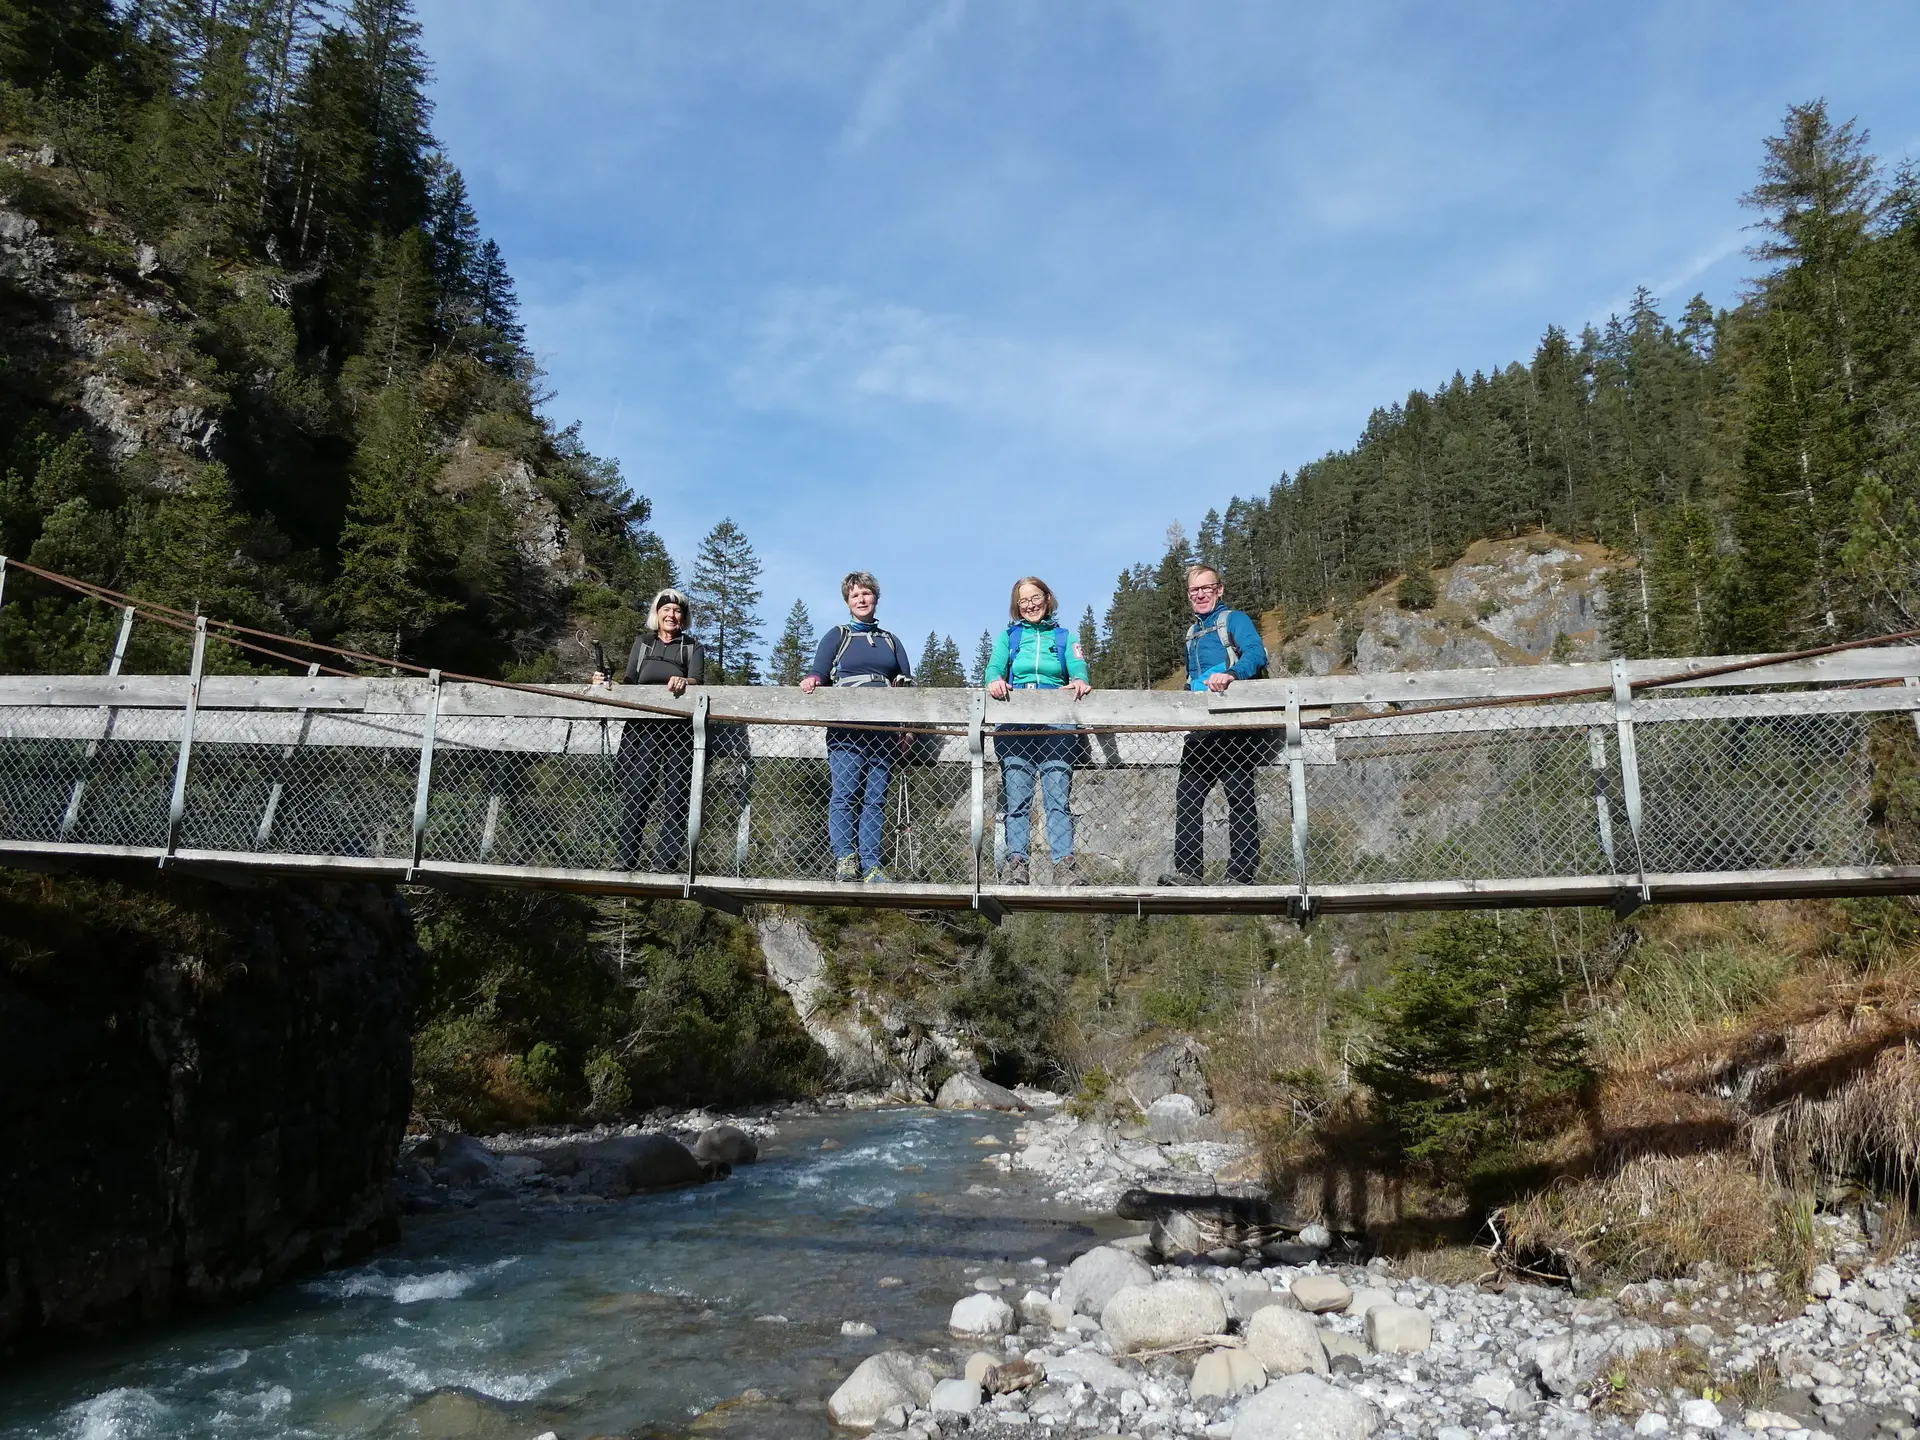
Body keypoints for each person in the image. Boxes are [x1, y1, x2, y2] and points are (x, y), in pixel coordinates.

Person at [1160, 565, 1272, 886]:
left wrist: (1233, 675)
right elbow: (1192, 679)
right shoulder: (1192, 634)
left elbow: (1256, 653)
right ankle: (1189, 872)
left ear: (1219, 589)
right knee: (1188, 794)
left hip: (1233, 724)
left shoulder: (1233, 620)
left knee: (1238, 793)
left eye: (1206, 588)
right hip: (1201, 727)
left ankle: (1241, 874)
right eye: (1194, 590)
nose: (1200, 594)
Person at [800, 571, 912, 882]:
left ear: (876, 598)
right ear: (848, 602)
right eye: (855, 596)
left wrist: (907, 728)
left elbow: (906, 687)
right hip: (846, 727)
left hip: (884, 729)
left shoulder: (891, 641)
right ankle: (846, 860)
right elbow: (818, 671)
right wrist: (813, 680)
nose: (861, 600)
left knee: (875, 798)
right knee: (845, 794)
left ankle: (873, 865)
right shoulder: (838, 635)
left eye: (866, 594)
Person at [986, 576, 1092, 886]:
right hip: (1015, 721)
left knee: (1057, 797)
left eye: (1036, 597)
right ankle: (1017, 864)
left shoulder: (1063, 636)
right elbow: (994, 668)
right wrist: (995, 680)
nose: (1030, 604)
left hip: (1057, 722)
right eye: (1023, 600)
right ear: (1016, 607)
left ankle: (1064, 865)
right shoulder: (1009, 637)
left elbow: (1078, 667)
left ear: (1047, 598)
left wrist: (1080, 680)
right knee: (1017, 799)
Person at [594, 588, 706, 872]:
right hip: (642, 728)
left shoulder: (691, 647)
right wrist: (604, 683)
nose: (671, 615)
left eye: (677, 611)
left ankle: (665, 862)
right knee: (637, 790)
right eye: (666, 610)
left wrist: (686, 683)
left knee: (677, 792)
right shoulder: (643, 643)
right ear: (657, 614)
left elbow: (699, 680)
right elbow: (630, 681)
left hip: (679, 730)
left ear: (684, 617)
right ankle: (625, 859)